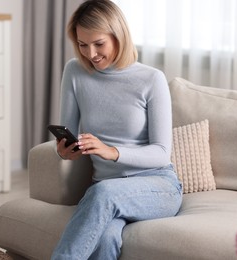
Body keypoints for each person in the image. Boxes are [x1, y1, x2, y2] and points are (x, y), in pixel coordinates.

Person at [51, 0, 183, 259]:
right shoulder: (75, 72)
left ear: (118, 35)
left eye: (99, 43)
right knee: (106, 239)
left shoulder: (151, 79)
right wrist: (65, 152)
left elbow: (161, 153)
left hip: (157, 186)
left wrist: (112, 152)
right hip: (107, 189)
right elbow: (68, 132)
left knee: (103, 192)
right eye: (82, 44)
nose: (91, 53)